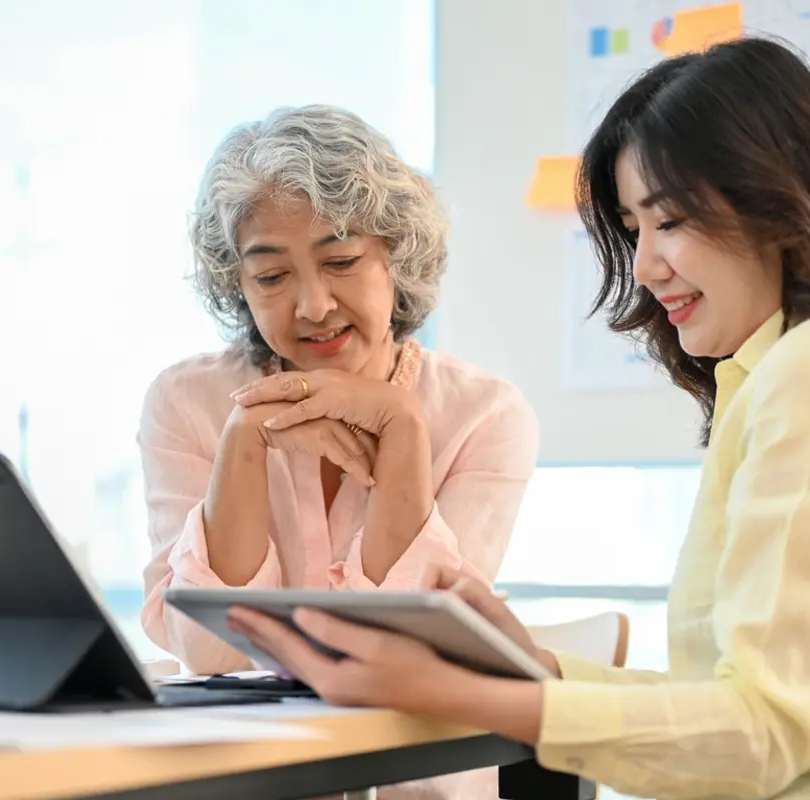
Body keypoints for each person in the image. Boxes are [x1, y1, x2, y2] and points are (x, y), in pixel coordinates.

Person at [225, 39, 810, 799]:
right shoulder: (786, 373)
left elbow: (761, 735)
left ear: (778, 203)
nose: (644, 267)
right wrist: (524, 665)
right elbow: (720, 702)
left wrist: (461, 693)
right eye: (635, 229)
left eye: (670, 221)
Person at [136, 105, 538, 798]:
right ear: (238, 284)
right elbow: (209, 651)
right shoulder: (187, 403)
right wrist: (244, 440)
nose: (313, 306)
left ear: (397, 255)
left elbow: (410, 655)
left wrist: (404, 434)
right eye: (271, 277)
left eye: (342, 261)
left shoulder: (484, 415)